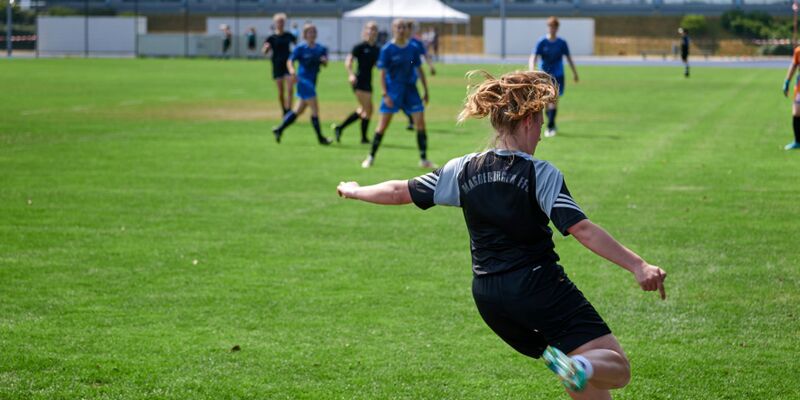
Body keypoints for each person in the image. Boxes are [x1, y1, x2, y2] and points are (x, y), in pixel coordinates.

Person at [337, 70, 667, 399]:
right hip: (538, 288)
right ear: (527, 121)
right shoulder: (540, 173)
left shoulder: (463, 168)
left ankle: (571, 365)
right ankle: (578, 366)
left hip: (491, 300)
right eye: (539, 123)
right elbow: (582, 230)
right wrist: (638, 265)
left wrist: (355, 190)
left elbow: (399, 192)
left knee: (581, 375)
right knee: (615, 367)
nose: (539, 133)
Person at [361, 18, 433, 169]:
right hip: (393, 91)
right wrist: (385, 94)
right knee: (382, 126)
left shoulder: (412, 48)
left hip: (411, 90)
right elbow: (382, 74)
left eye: (403, 27)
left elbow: (419, 70)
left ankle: (424, 159)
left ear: (407, 30)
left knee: (420, 123)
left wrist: (426, 90)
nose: (401, 30)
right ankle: (370, 157)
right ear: (393, 30)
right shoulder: (387, 49)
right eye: (398, 27)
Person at [272, 23, 332, 145]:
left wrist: (324, 61)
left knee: (298, 111)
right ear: (305, 35)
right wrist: (292, 71)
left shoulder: (320, 48)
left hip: (312, 81)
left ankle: (279, 129)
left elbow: (325, 63)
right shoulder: (300, 48)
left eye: (314, 32)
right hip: (303, 81)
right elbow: (290, 61)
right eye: (309, 32)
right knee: (315, 109)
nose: (312, 34)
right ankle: (321, 138)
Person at [529, 16, 579, 138]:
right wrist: (531, 70)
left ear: (557, 28)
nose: (552, 29)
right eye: (550, 26)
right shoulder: (542, 42)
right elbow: (533, 56)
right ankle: (551, 123)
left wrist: (575, 73)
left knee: (554, 100)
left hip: (558, 75)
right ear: (548, 27)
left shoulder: (562, 43)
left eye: (554, 27)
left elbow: (569, 58)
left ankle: (551, 126)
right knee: (546, 102)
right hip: (543, 76)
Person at [332, 22, 380, 144]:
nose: (372, 32)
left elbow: (378, 64)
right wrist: (351, 74)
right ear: (365, 32)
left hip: (368, 81)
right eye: (370, 30)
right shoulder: (359, 47)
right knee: (367, 109)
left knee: (365, 110)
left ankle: (340, 128)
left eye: (374, 30)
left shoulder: (377, 49)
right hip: (358, 81)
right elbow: (348, 61)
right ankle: (363, 138)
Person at [402, 20, 436, 131]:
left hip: (412, 74)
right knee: (399, 100)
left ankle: (413, 118)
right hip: (397, 76)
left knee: (406, 98)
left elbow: (425, 55)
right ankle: (411, 118)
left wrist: (431, 66)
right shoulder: (399, 42)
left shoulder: (416, 43)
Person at [262, 13, 297, 116]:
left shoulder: (289, 36)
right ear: (275, 23)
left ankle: (289, 110)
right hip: (277, 65)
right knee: (281, 92)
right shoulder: (271, 38)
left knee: (290, 89)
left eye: (282, 22)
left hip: (288, 64)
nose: (280, 24)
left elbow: (297, 47)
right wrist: (266, 48)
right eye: (278, 22)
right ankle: (284, 110)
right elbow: (264, 51)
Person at [782, 45, 800, 150]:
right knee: (796, 113)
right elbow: (794, 65)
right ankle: (797, 141)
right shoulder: (798, 50)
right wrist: (787, 81)